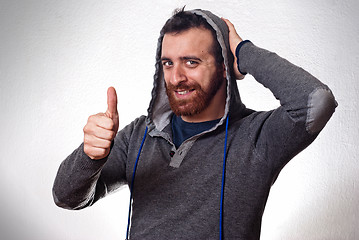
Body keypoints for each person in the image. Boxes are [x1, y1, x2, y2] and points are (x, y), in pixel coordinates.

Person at [53, 8, 337, 239]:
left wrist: (244, 52)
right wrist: (90, 156)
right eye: (168, 63)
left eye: (191, 62)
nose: (176, 78)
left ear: (224, 66)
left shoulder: (257, 136)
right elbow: (66, 197)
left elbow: (316, 101)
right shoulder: (140, 134)